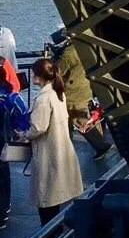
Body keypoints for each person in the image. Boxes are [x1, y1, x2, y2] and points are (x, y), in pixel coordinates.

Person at [17, 59, 83, 225]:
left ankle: (48, 234)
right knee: (58, 194)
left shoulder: (43, 99)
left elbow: (38, 127)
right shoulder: (58, 93)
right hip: (61, 148)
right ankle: (55, 231)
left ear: (40, 76)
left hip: (48, 152)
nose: (32, 76)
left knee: (46, 197)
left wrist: (24, 135)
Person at [50, 30, 111, 158]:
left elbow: (58, 72)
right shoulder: (82, 47)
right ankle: (99, 144)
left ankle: (100, 146)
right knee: (82, 119)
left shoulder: (68, 54)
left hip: (73, 94)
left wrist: (54, 59)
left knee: (77, 121)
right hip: (84, 89)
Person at [0, 76, 29, 228]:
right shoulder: (12, 98)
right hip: (3, 142)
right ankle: (3, 210)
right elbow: (23, 118)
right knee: (3, 176)